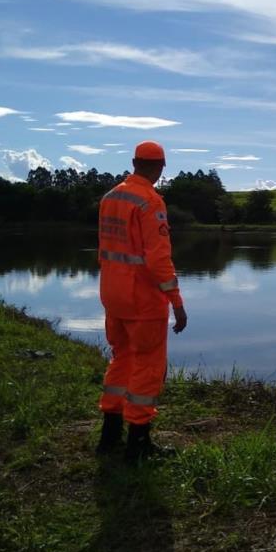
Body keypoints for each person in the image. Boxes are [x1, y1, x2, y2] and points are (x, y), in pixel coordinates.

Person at [95, 140, 187, 463]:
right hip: (142, 300)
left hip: (112, 295)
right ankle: (138, 444)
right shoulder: (150, 201)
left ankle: (109, 435)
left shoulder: (110, 197)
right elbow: (158, 258)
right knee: (148, 367)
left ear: (134, 162)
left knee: (121, 359)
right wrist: (176, 300)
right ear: (161, 168)